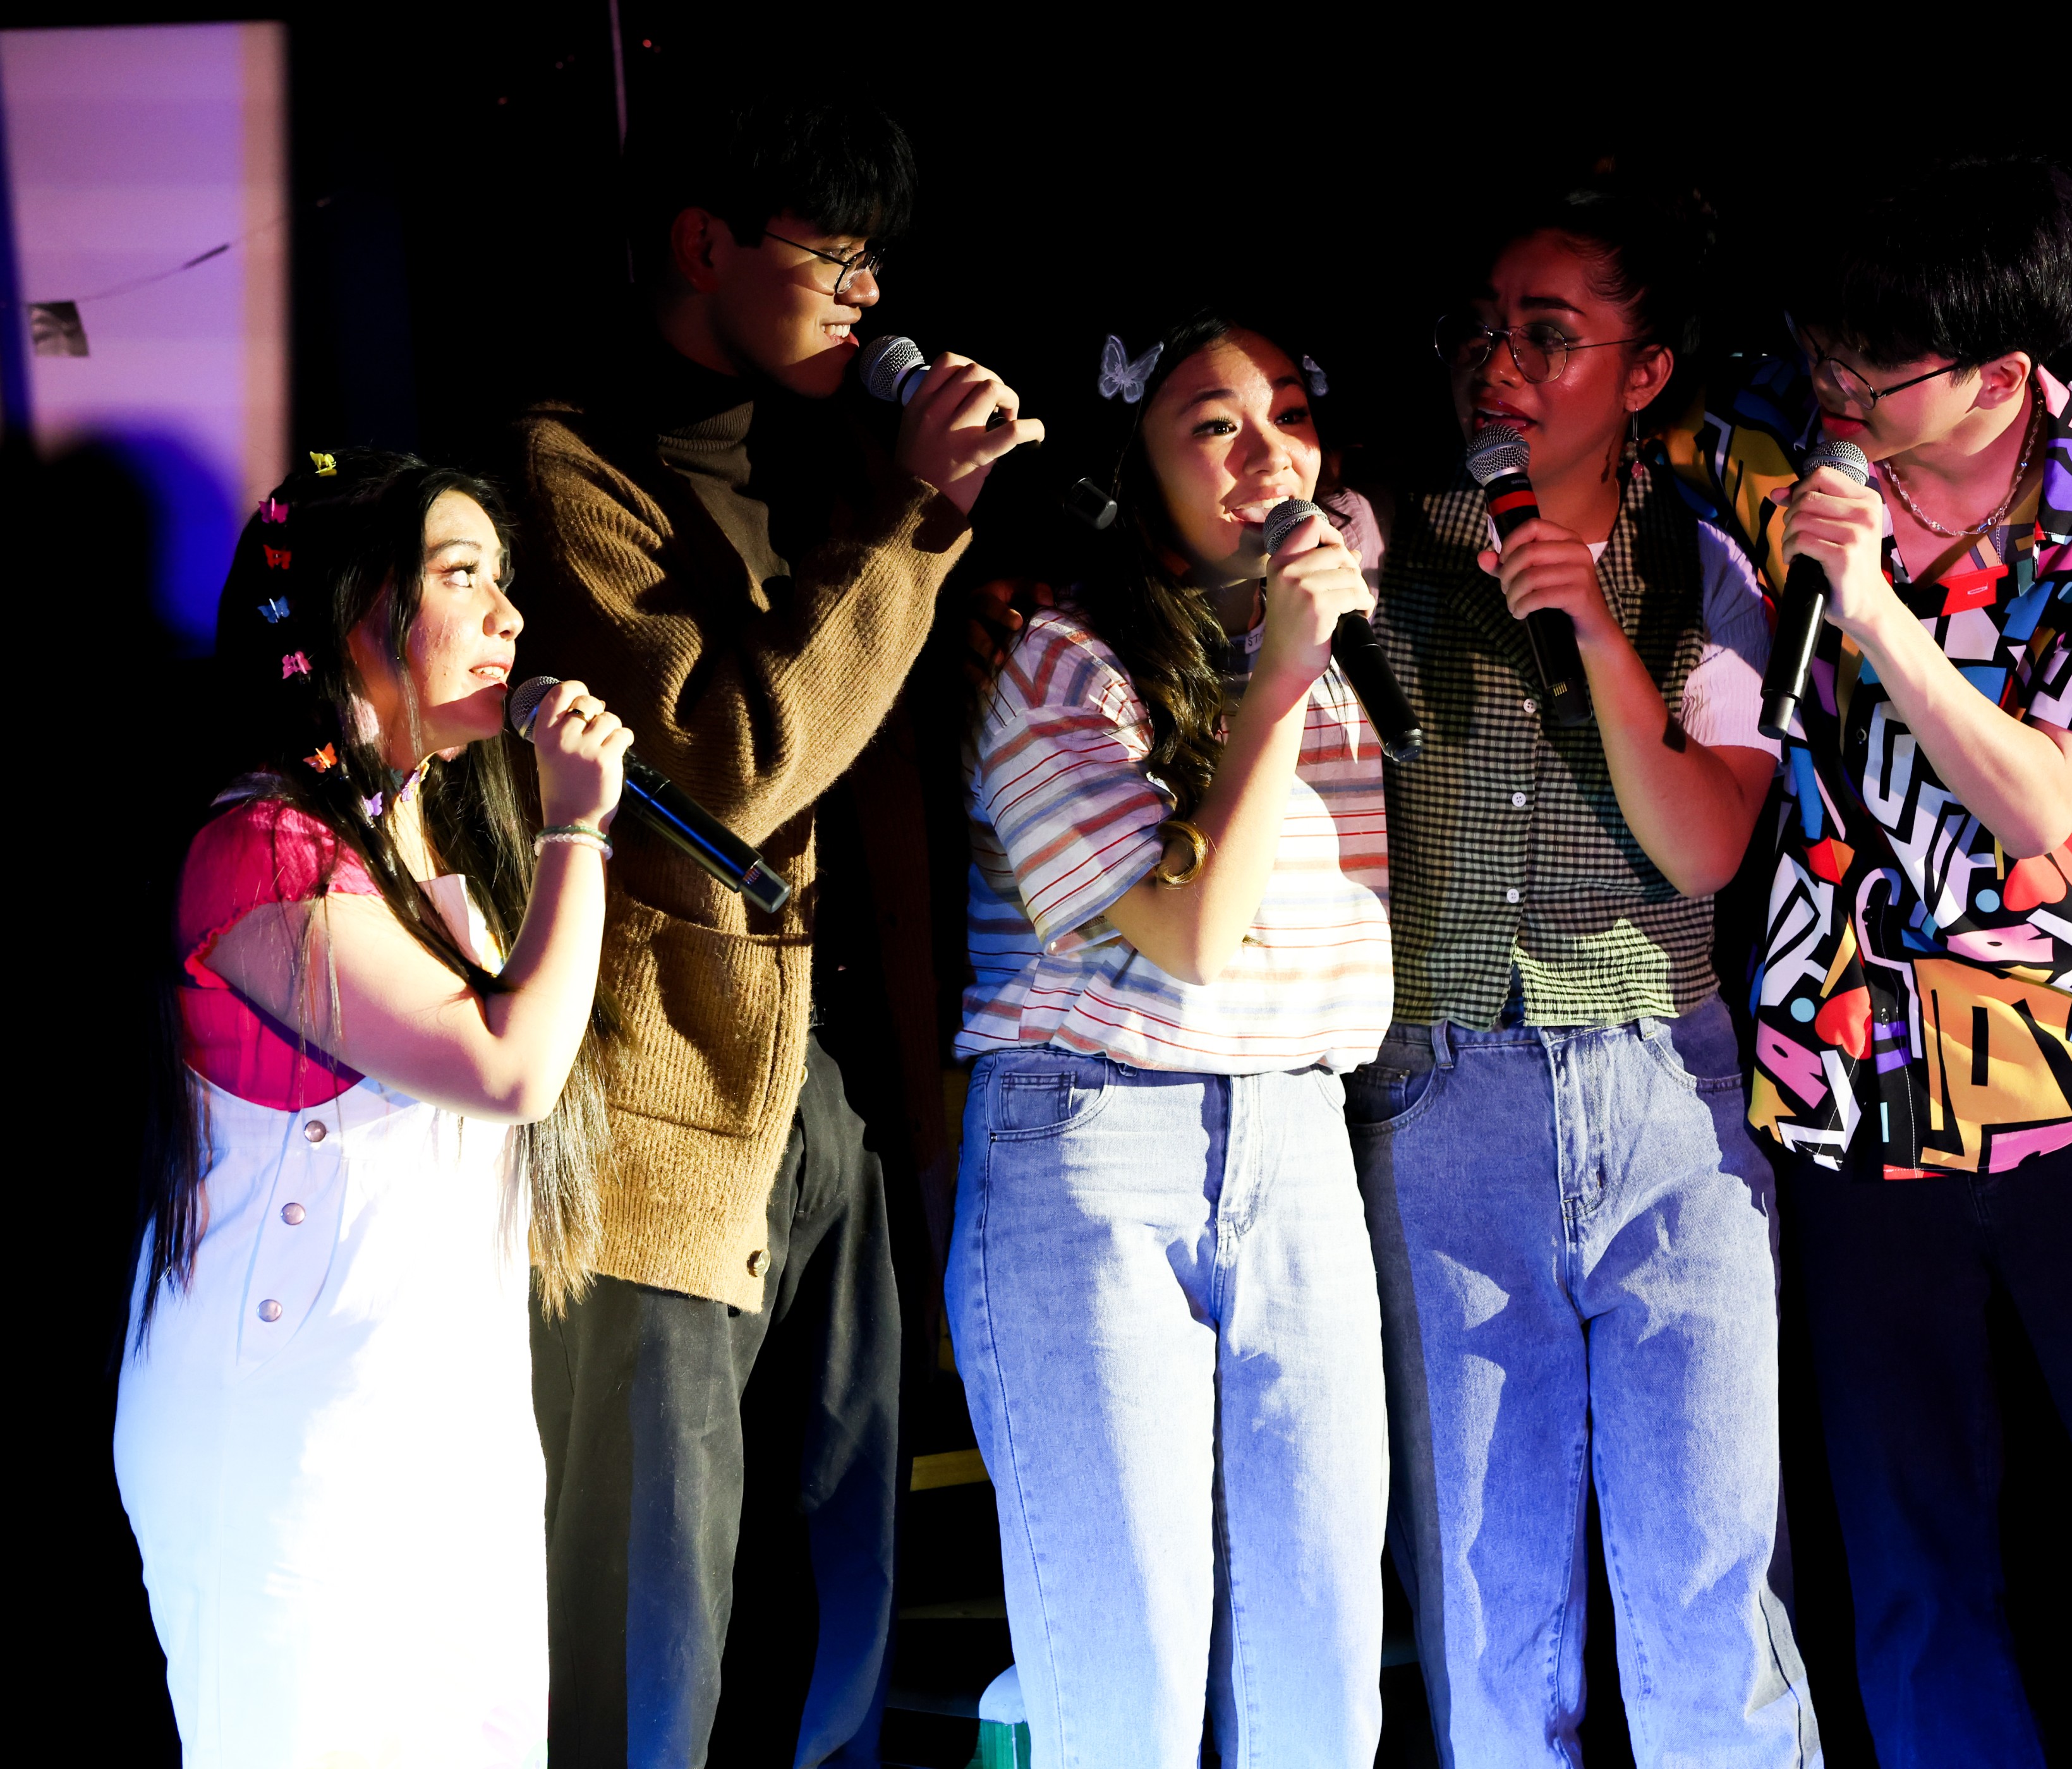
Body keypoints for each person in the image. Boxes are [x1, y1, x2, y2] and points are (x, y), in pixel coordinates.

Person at [1671, 155, 2072, 1765]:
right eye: (1823, 353)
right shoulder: (1760, 436)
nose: (1837, 392)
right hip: (1845, 1086)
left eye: (1872, 373)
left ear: (2003, 373)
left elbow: (2044, 807)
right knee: (1912, 1573)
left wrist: (1875, 612)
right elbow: (1575, 431)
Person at [509, 78, 1041, 1762]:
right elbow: (730, 761)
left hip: (836, 1093)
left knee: (843, 1591)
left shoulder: (837, 459)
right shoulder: (563, 466)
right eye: (837, 255)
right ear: (701, 244)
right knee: (657, 1618)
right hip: (662, 1102)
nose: (870, 295)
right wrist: (916, 522)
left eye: (882, 262)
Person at [1354, 179, 1820, 1764]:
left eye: (1546, 336)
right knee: (1491, 1599)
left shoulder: (1710, 579)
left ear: (1640, 374)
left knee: (1703, 1584)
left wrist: (1601, 640)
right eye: (1485, 329)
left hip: (1662, 1096)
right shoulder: (1386, 546)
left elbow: (1703, 849)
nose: (1500, 362)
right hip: (1445, 1093)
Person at [115, 450, 624, 1769]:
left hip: (441, 1437)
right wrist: (579, 832)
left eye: (507, 582)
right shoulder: (262, 847)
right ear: (355, 615)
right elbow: (514, 1066)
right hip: (298, 1447)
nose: (511, 615)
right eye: (466, 576)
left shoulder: (414, 852)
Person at [948, 313, 1393, 1763]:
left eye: (1290, 414)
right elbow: (1191, 940)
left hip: (1301, 1134)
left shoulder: (1335, 645)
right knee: (1127, 1687)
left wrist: (1301, 655)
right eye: (1214, 422)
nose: (1268, 453)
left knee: (1322, 1682)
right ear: (1138, 462)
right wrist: (1276, 677)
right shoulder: (1059, 668)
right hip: (1093, 1145)